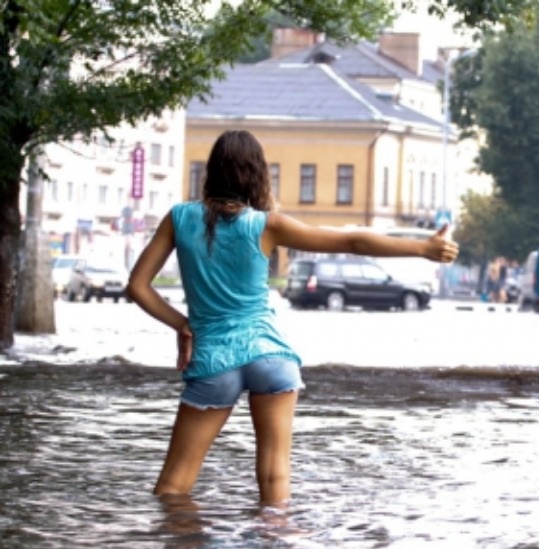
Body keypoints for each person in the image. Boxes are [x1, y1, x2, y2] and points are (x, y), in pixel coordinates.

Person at [126, 129, 459, 505]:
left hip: (213, 359)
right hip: (270, 356)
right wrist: (423, 248)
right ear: (257, 174)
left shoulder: (180, 218)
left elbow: (137, 286)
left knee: (173, 487)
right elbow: (351, 240)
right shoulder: (267, 225)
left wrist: (182, 323)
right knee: (274, 476)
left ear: (212, 173)